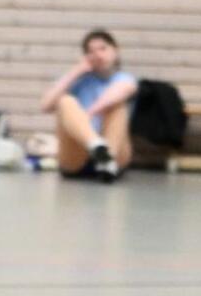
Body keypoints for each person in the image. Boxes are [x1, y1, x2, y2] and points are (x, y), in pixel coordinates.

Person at [40, 29, 136, 182]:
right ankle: (97, 147)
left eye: (103, 49)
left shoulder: (125, 78)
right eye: (92, 52)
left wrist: (88, 115)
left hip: (115, 152)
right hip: (77, 156)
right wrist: (76, 71)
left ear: (116, 51)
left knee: (117, 105)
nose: (98, 55)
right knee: (65, 101)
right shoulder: (80, 81)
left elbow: (119, 92)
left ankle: (106, 159)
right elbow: (45, 106)